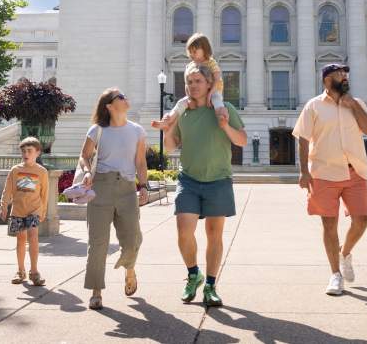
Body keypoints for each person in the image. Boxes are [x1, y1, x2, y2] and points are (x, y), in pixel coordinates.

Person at [164, 63, 246, 307]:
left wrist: (225, 126)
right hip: (188, 180)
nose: (193, 86)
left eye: (198, 81)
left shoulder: (225, 109)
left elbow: (241, 140)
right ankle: (193, 274)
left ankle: (210, 285)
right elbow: (170, 147)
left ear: (209, 84)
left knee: (214, 234)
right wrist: (168, 129)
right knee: (184, 231)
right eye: (189, 82)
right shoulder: (184, 114)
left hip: (218, 180)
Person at [292, 63, 367, 296]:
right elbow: (302, 138)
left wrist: (353, 106)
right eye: (339, 73)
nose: (345, 76)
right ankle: (335, 274)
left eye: (346, 73)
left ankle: (345, 252)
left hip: (354, 171)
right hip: (324, 173)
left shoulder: (356, 103)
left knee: (361, 220)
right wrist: (304, 172)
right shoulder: (314, 105)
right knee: (329, 224)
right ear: (327, 79)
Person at [78, 88, 149, 310]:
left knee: (133, 239)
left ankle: (129, 269)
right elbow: (84, 156)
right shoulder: (97, 130)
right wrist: (88, 171)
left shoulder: (137, 130)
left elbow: (140, 162)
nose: (125, 98)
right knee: (98, 243)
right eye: (120, 96)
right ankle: (96, 292)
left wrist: (144, 185)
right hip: (101, 187)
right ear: (109, 105)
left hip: (127, 189)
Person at [152, 33, 227, 132]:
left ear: (205, 49)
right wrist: (190, 98)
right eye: (190, 52)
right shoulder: (190, 66)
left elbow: (217, 79)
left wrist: (210, 94)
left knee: (217, 101)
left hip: (214, 90)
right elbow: (187, 85)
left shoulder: (211, 62)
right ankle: (167, 120)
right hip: (197, 94)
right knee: (180, 103)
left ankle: (222, 118)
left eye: (195, 51)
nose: (192, 54)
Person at [0, 136, 50, 286]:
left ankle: (34, 272)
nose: (26, 154)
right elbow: (7, 190)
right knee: (21, 239)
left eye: (29, 150)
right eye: (23, 151)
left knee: (33, 236)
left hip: (34, 210)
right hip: (18, 210)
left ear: (38, 152)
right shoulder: (15, 170)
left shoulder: (42, 172)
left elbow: (45, 193)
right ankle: (20, 271)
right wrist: (3, 205)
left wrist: (43, 211)